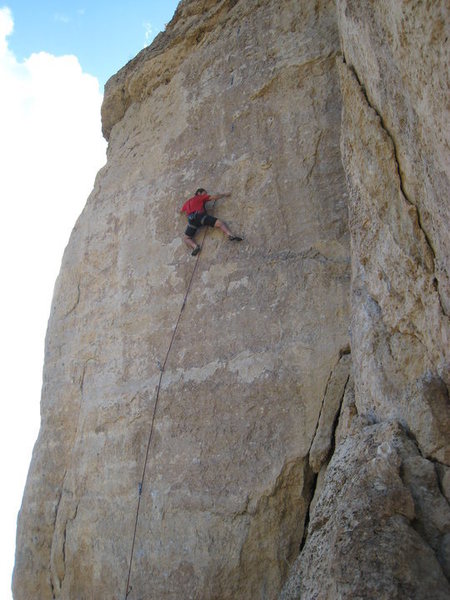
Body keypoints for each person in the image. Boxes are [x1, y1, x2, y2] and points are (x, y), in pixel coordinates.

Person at [180, 188, 243, 255]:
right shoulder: (199, 197)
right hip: (200, 217)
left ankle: (195, 247)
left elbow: (181, 211)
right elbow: (214, 197)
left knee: (186, 238)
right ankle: (230, 235)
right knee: (220, 223)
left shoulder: (187, 202)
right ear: (199, 193)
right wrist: (224, 194)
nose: (206, 194)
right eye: (205, 193)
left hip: (192, 221)